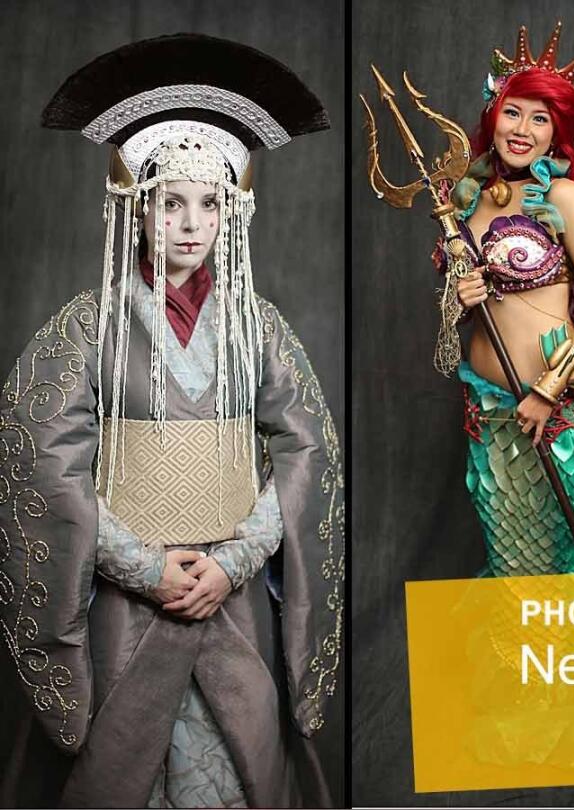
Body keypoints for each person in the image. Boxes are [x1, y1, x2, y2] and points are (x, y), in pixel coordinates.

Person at [0, 34, 342, 807]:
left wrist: (238, 557)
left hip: (234, 589)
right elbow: (45, 473)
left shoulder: (260, 328)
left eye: (210, 202)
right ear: (137, 207)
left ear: (232, 212)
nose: (190, 223)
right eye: (169, 201)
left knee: (243, 766)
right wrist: (146, 567)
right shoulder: (88, 330)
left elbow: (305, 452)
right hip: (124, 599)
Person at [442, 21, 574, 577]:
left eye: (541, 118)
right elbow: (457, 318)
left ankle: (570, 665)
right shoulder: (465, 199)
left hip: (551, 409)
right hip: (486, 407)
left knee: (554, 555)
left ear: (556, 131)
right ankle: (520, 664)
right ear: (493, 112)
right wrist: (460, 297)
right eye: (514, 111)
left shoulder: (565, 197)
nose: (523, 129)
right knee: (507, 553)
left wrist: (547, 391)